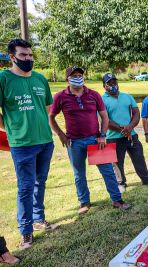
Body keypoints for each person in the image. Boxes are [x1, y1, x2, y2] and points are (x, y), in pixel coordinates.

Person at [49, 67, 130, 214]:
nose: (78, 77)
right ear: (67, 78)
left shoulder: (93, 94)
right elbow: (51, 117)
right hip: (74, 142)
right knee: (79, 174)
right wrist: (61, 134)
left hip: (95, 140)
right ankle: (84, 202)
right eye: (74, 75)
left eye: (80, 75)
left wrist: (103, 135)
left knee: (107, 171)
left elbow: (104, 117)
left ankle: (117, 200)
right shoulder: (60, 96)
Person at [0, 39, 55, 249]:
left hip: (45, 142)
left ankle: (39, 219)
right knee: (25, 187)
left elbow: (48, 107)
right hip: (22, 144)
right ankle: (26, 230)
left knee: (40, 181)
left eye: (31, 55)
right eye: (23, 55)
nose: (28, 58)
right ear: (12, 57)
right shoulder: (4, 79)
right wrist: (11, 126)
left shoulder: (40, 79)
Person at [101, 73, 148, 188]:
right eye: (109, 83)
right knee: (117, 162)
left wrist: (130, 127)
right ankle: (121, 182)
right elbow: (105, 119)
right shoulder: (102, 100)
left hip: (131, 135)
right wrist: (122, 129)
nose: (113, 85)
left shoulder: (127, 96)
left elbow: (136, 113)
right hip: (113, 137)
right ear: (104, 86)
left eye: (114, 82)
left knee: (139, 157)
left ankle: (146, 179)